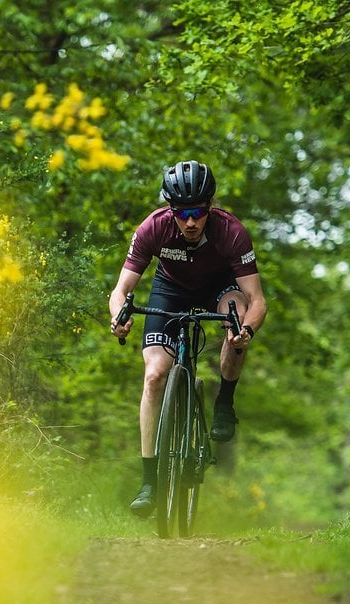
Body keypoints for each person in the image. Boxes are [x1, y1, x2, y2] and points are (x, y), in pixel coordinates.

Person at [108, 160, 266, 516]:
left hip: (219, 288)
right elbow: (120, 291)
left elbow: (257, 300)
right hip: (171, 289)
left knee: (235, 318)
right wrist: (118, 317)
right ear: (170, 209)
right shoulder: (153, 228)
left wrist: (246, 331)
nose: (190, 221)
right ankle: (149, 481)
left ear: (209, 206)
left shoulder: (231, 232)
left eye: (198, 212)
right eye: (182, 213)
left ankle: (224, 402)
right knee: (153, 377)